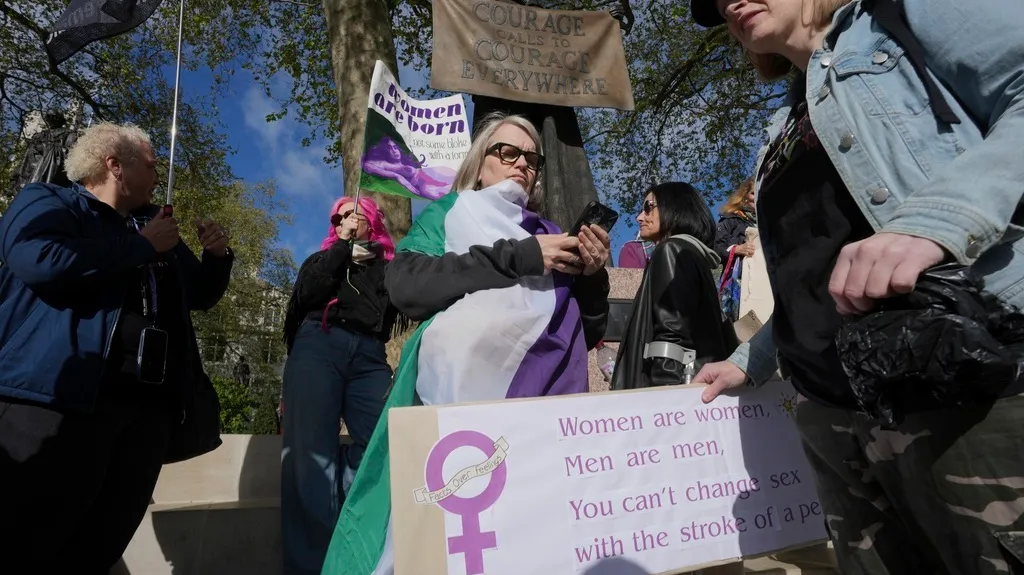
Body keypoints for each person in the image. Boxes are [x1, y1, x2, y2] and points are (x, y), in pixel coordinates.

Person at [690, 0, 1024, 572]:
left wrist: (938, 222)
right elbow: (812, 272)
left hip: (960, 386)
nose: (729, 3)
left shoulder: (897, 15)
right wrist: (752, 359)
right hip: (832, 417)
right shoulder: (782, 125)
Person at [320, 111, 611, 575]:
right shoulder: (450, 212)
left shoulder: (549, 231)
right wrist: (521, 257)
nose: (522, 164)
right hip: (456, 416)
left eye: (532, 158)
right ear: (478, 164)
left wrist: (592, 279)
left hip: (540, 405)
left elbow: (586, 330)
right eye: (508, 152)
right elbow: (407, 286)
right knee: (446, 543)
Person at [0, 122, 232, 572]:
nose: (158, 174)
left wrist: (216, 257)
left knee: (98, 546)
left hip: (147, 415)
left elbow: (200, 294)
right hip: (58, 402)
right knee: (26, 540)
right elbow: (39, 260)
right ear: (114, 165)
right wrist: (140, 247)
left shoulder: (153, 228)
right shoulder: (50, 201)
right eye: (151, 165)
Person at [280, 195, 400, 575]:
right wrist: (342, 247)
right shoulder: (322, 258)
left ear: (373, 222)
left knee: (388, 442)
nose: (347, 219)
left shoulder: (388, 267)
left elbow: (405, 304)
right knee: (309, 457)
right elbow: (310, 294)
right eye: (340, 217)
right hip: (319, 344)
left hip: (369, 356)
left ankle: (339, 483)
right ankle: (311, 567)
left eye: (356, 213)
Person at [612, 182, 739, 390]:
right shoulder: (695, 256)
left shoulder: (671, 250)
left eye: (648, 207)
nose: (639, 217)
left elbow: (671, 335)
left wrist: (666, 393)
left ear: (674, 207)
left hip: (668, 390)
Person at [713, 178, 757, 263]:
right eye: (753, 193)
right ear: (745, 196)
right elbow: (716, 249)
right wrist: (737, 249)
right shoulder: (731, 218)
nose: (756, 197)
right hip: (740, 270)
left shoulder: (769, 223)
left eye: (759, 193)